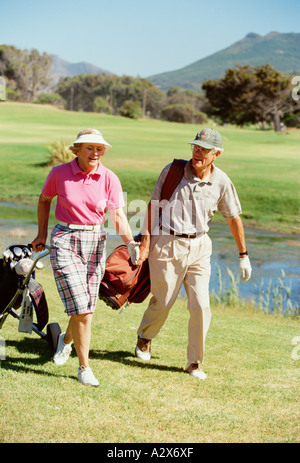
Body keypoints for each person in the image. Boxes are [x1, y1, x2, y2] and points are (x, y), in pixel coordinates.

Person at [135, 128, 252, 380]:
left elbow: (233, 218)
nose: (197, 152)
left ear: (216, 154)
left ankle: (194, 362)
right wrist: (145, 242)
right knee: (163, 301)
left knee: (201, 305)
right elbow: (152, 207)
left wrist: (243, 254)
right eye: (195, 147)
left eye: (204, 149)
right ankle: (145, 337)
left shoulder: (221, 181)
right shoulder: (172, 171)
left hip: (200, 246)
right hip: (167, 242)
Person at [32, 128, 139, 386]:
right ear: (77, 149)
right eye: (89, 148)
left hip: (95, 242)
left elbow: (117, 215)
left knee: (86, 306)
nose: (95, 153)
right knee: (82, 306)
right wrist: (41, 234)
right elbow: (44, 200)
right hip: (65, 239)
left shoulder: (109, 178)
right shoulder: (59, 174)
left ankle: (65, 341)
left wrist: (131, 243)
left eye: (99, 148)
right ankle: (84, 367)